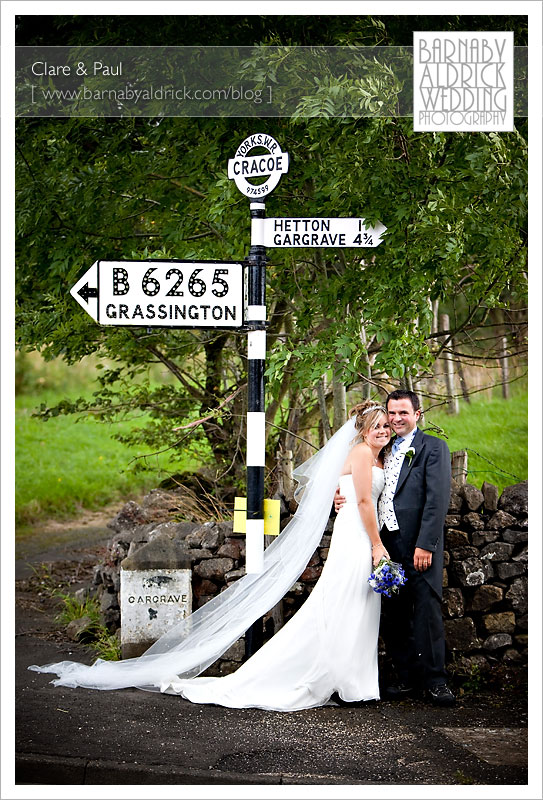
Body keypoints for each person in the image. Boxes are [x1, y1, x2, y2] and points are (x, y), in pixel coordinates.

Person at [30, 402, 392, 712]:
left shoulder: (374, 456)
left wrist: (334, 495)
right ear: (361, 430)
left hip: (358, 535)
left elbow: (331, 483)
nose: (383, 431)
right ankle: (348, 684)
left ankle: (353, 682)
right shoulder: (361, 453)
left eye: (386, 426)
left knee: (356, 606)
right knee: (346, 604)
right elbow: (360, 500)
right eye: (376, 427)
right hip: (359, 538)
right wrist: (373, 541)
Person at [335, 389, 455, 707]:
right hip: (386, 544)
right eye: (393, 413)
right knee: (394, 614)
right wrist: (339, 494)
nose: (397, 418)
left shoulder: (433, 447)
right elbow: (360, 483)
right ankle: (405, 678)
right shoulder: (381, 449)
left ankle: (436, 682)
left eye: (404, 412)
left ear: (417, 414)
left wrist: (426, 544)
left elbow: (437, 499)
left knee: (427, 610)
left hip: (418, 544)